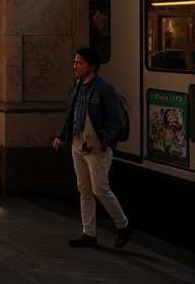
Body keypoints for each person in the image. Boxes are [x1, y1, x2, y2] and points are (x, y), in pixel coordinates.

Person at [54, 47, 132, 248]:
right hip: (78, 144)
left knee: (100, 189)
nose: (75, 66)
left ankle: (123, 225)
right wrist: (62, 136)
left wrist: (105, 143)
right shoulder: (75, 86)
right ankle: (88, 233)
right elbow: (70, 116)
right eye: (75, 63)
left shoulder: (105, 89)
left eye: (79, 63)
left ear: (92, 66)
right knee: (85, 190)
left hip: (98, 147)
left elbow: (114, 120)